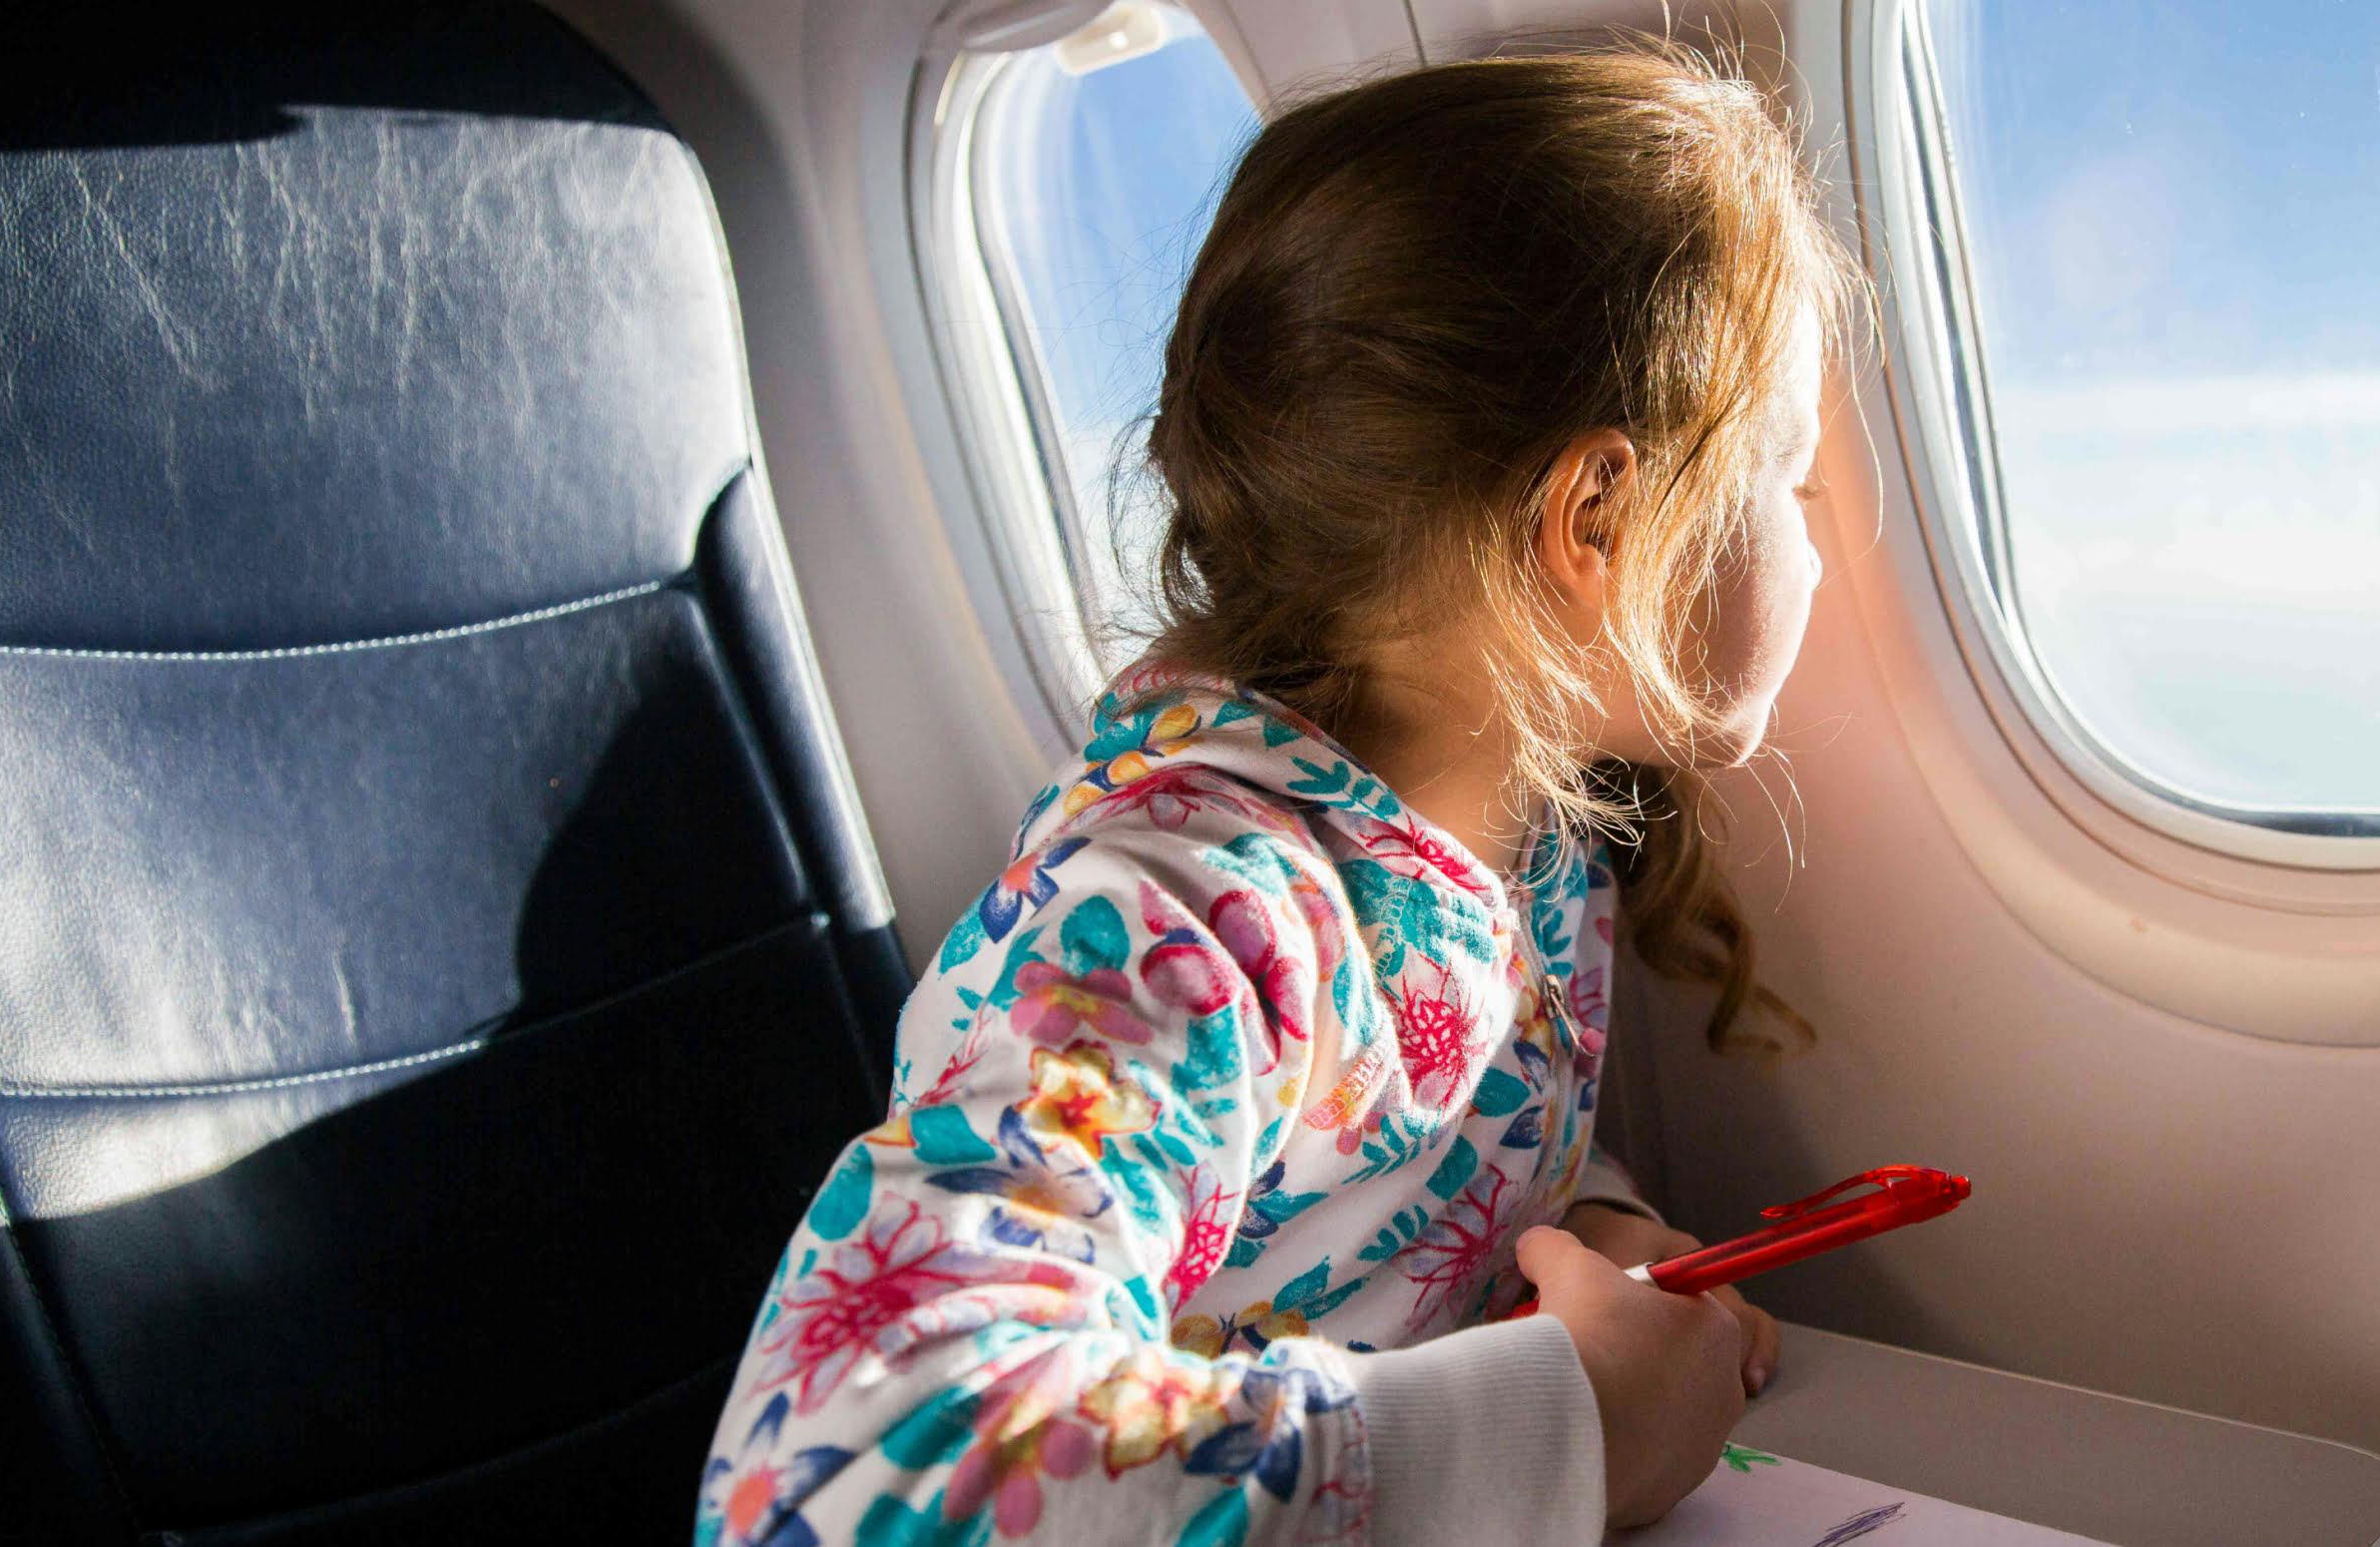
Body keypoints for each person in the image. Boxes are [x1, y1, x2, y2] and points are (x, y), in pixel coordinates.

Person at [697, 40, 1857, 1547]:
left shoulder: (1527, 843)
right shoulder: (1179, 926)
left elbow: (1399, 1169)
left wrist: (1585, 1224)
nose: (1817, 543)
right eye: (1791, 479)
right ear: (1599, 517)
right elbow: (860, 1475)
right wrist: (1567, 1428)